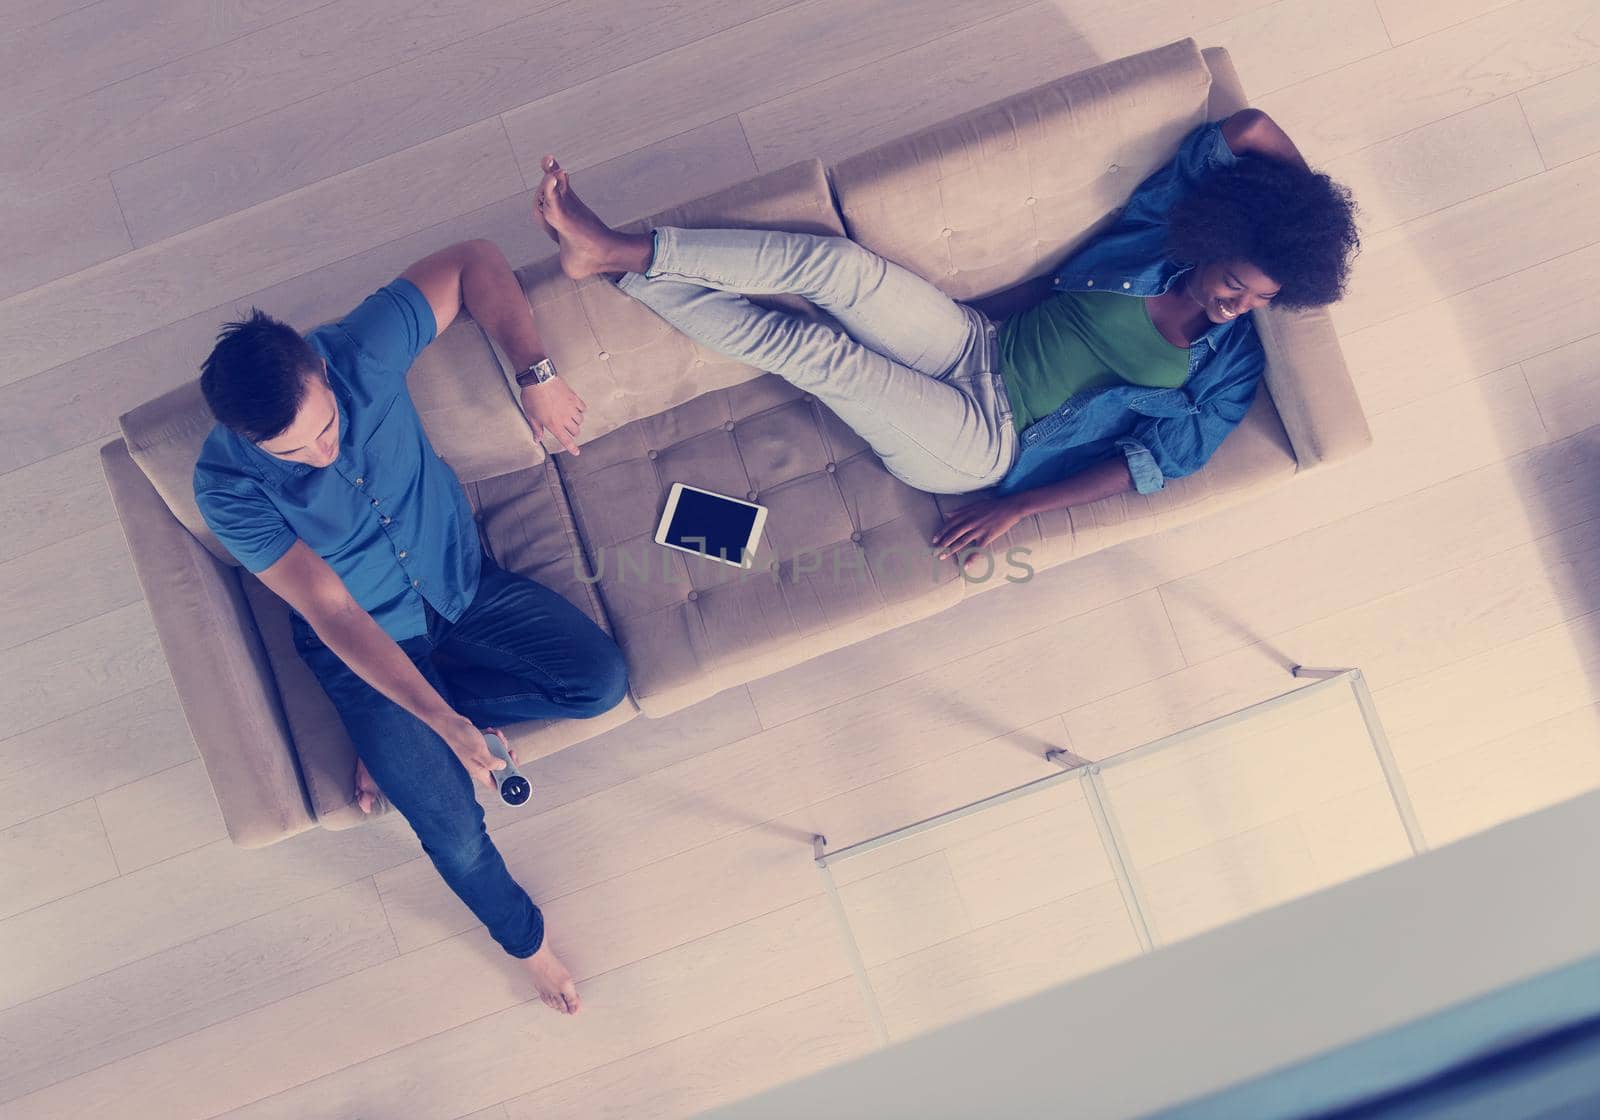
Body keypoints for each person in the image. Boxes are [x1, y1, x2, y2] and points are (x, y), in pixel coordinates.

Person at [528, 108, 1359, 563]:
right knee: (839, 269)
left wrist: (1019, 506)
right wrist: (1292, 214)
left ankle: (616, 268)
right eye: (1234, 283)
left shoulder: (1228, 366)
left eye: (1257, 301)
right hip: (975, 346)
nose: (1234, 307)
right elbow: (1246, 130)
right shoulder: (1161, 233)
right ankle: (615, 249)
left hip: (983, 444)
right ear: (1218, 240)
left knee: (817, 352)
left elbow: (1153, 465)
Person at [192, 238, 619, 1015]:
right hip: (361, 641)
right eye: (293, 452)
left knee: (601, 682)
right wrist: (441, 722)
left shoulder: (358, 351)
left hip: (462, 587)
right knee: (454, 832)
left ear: (320, 371)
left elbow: (477, 261)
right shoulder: (225, 486)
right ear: (252, 442)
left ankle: (418, 723)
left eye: (324, 430)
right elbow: (330, 609)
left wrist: (536, 375)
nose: (322, 456)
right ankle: (528, 945)